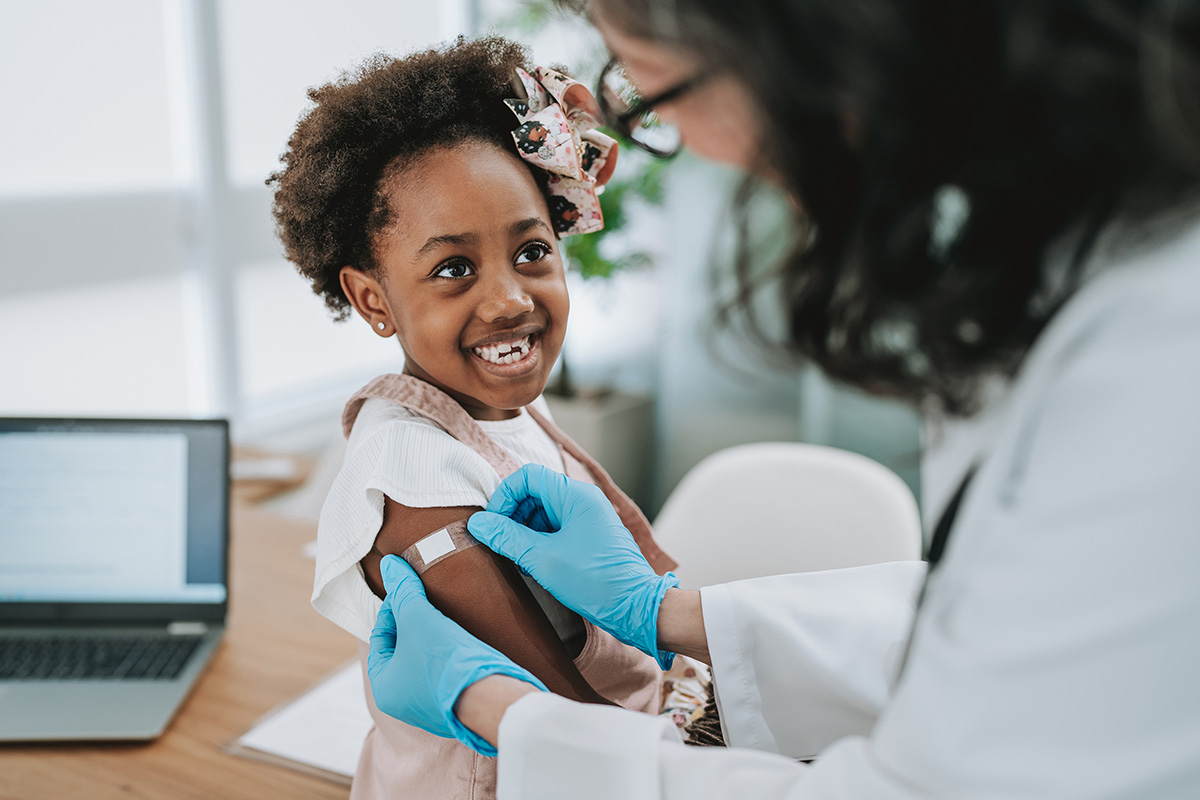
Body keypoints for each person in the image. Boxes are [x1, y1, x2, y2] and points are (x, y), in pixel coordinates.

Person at [365, 1, 1200, 797]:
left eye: (654, 92)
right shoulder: (410, 460)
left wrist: (503, 713)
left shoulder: (1155, 371)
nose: (694, 146)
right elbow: (986, 629)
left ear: (831, 51)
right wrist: (668, 614)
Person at [267, 36, 693, 799]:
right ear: (373, 299)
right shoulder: (411, 465)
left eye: (532, 251)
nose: (508, 300)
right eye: (453, 269)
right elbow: (567, 731)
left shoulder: (502, 408)